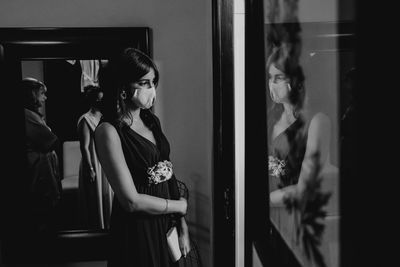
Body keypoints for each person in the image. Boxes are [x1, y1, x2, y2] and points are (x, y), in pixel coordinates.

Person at [95, 48, 201, 267]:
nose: (151, 89)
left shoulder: (151, 120)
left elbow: (167, 172)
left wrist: (182, 225)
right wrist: (178, 206)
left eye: (153, 82)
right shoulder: (108, 131)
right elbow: (131, 201)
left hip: (164, 220)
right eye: (144, 83)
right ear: (123, 87)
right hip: (136, 228)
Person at [266, 45, 334, 205]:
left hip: (293, 216)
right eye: (270, 77)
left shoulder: (317, 122)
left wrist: (258, 201)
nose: (272, 83)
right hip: (266, 214)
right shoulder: (271, 118)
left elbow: (305, 189)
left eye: (279, 77)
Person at [23, 77, 62, 234]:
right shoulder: (27, 115)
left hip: (42, 170)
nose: (45, 98)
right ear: (32, 94)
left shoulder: (31, 115)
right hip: (38, 173)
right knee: (43, 214)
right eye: (42, 94)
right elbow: (52, 141)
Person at [77, 85, 113, 229]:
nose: (101, 102)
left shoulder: (105, 117)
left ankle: (109, 226)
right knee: (95, 198)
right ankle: (97, 228)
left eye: (102, 99)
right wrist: (90, 167)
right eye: (98, 100)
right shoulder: (86, 119)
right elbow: (84, 147)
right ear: (93, 101)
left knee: (106, 197)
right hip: (93, 162)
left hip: (105, 162)